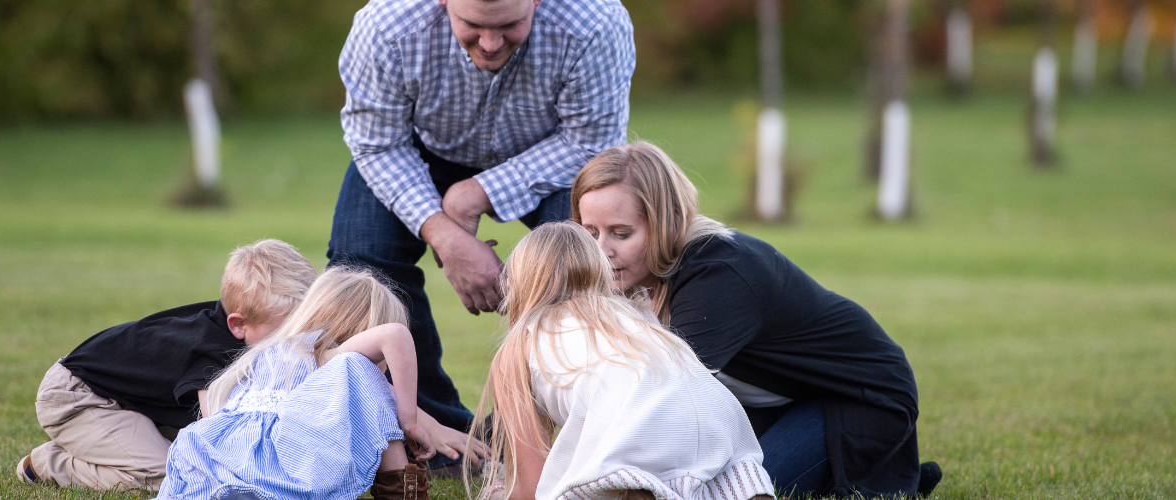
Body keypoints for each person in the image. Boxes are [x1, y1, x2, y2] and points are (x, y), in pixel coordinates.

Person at [329, 0, 636, 464]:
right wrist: (445, 235)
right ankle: (428, 437)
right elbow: (377, 140)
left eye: (510, 25)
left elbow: (591, 140)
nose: (490, 43)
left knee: (590, 264)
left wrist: (471, 195)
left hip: (554, 156)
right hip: (416, 149)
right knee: (359, 265)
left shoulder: (595, 22)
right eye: (472, 26)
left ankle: (570, 433)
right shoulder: (386, 24)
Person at [571, 143, 944, 499]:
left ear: (667, 222)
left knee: (735, 490)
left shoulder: (715, 276)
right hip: (785, 399)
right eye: (590, 234)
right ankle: (880, 472)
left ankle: (874, 467)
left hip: (859, 396)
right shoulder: (634, 273)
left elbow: (670, 404)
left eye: (621, 233)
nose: (602, 251)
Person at [468, 222, 775, 500]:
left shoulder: (520, 344)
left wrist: (498, 492)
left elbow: (531, 487)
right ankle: (735, 490)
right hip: (718, 417)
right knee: (697, 471)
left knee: (616, 465)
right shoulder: (632, 315)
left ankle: (631, 487)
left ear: (514, 285)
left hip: (638, 421)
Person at [157, 267, 488, 500]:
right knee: (369, 384)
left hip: (205, 466)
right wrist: (410, 423)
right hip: (277, 472)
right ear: (361, 332)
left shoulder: (267, 355)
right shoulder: (338, 360)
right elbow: (395, 335)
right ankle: (405, 494)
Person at [15, 239, 318, 491]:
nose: (295, 338)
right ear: (238, 325)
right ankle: (49, 463)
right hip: (77, 397)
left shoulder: (243, 324)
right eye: (285, 330)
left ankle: (104, 449)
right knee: (174, 475)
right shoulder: (216, 352)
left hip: (125, 399)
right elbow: (218, 430)